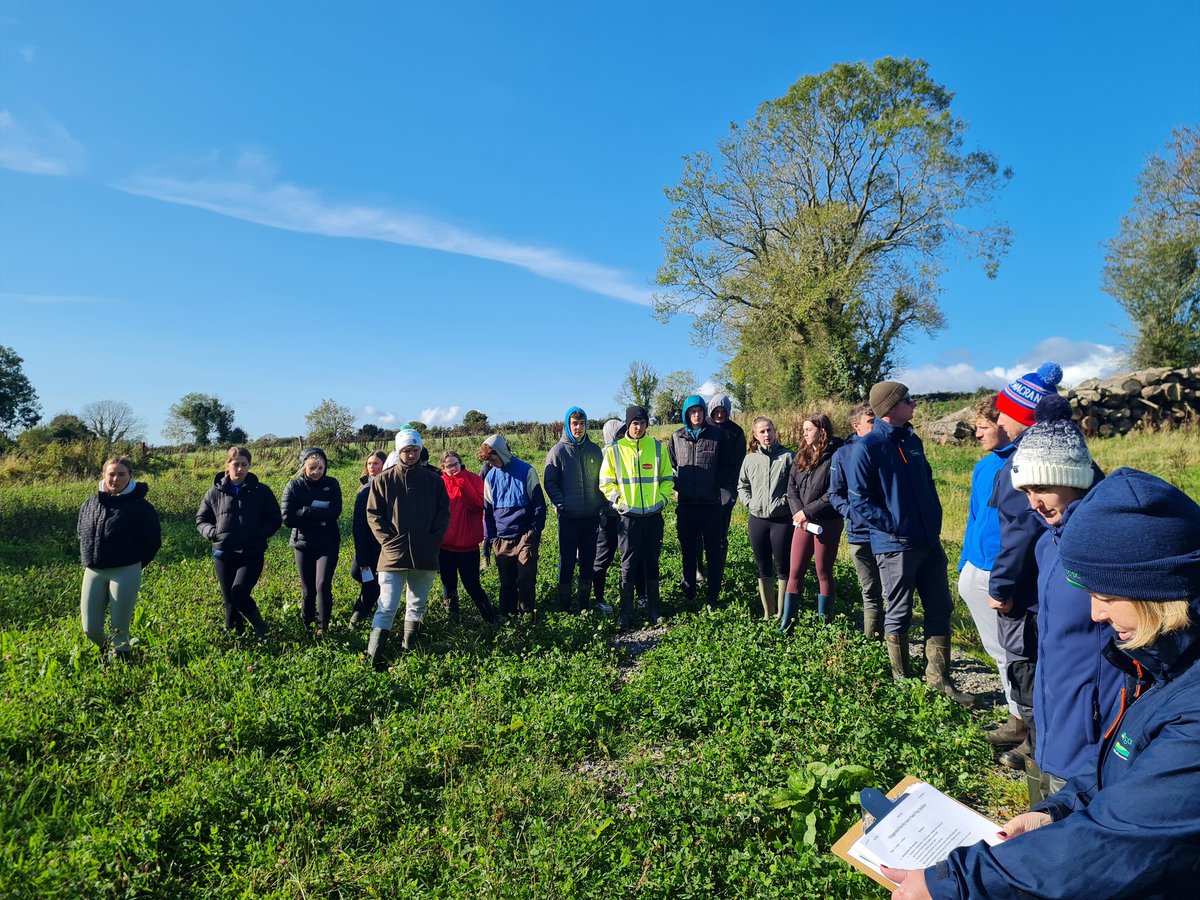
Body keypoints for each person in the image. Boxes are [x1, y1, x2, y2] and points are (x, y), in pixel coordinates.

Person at [885, 467, 1200, 900]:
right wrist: (1058, 810)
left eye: (1106, 597)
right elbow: (1130, 773)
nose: (1095, 615)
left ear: (1158, 592)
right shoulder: (1166, 660)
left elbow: (1117, 844)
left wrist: (958, 883)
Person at [1009, 395, 1118, 802]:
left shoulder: (1107, 545)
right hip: (1053, 713)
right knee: (1040, 812)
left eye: (1042, 488)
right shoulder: (1047, 544)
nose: (1032, 503)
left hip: (1091, 730)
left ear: (1073, 477)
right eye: (1025, 490)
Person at [846, 381, 975, 706]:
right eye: (908, 400)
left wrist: (933, 521)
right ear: (890, 407)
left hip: (928, 542)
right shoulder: (868, 447)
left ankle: (939, 680)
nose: (914, 404)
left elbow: (928, 484)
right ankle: (902, 684)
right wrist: (896, 527)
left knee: (940, 606)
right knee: (900, 612)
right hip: (895, 545)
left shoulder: (912, 440)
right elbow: (859, 500)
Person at [987, 362, 1065, 769]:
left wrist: (1000, 587)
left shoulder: (1027, 462)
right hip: (1046, 586)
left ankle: (1039, 756)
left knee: (1027, 670)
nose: (998, 419)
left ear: (1022, 414)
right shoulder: (1057, 453)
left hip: (1027, 594)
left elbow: (1019, 533)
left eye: (1004, 412)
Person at [957, 396, 1025, 747]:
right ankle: (1018, 716)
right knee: (996, 649)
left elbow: (1018, 530)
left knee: (1012, 651)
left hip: (1001, 573)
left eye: (984, 427)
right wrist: (964, 564)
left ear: (1004, 424)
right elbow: (973, 518)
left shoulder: (1021, 465)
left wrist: (1004, 578)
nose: (978, 434)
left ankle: (1023, 721)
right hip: (976, 568)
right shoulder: (984, 467)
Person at [365, 429, 450, 667]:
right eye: (406, 450)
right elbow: (373, 515)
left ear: (420, 450)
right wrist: (388, 542)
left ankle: (408, 651)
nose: (411, 455)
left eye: (414, 450)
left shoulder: (434, 481)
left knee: (416, 604)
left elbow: (444, 514)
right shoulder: (384, 480)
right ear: (398, 452)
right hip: (392, 556)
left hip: (425, 555)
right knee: (387, 605)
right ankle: (373, 658)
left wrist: (433, 541)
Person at [77, 456, 162, 662]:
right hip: (94, 570)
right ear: (104, 475)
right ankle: (108, 653)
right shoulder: (90, 503)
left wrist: (133, 563)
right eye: (111, 474)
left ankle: (124, 665)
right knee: (90, 629)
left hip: (125, 571)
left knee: (119, 629)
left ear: (130, 476)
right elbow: (81, 531)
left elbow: (152, 541)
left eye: (121, 474)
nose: (115, 479)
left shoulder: (141, 507)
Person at [599, 405, 675, 629]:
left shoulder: (657, 448)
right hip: (628, 517)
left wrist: (662, 499)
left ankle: (654, 610)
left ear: (646, 425)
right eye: (634, 423)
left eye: (642, 423)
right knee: (628, 564)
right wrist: (620, 502)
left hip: (653, 516)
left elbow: (668, 478)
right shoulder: (615, 450)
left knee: (652, 562)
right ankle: (626, 613)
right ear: (628, 425)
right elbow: (605, 482)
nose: (638, 427)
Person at [196, 446, 282, 638]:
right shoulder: (213, 492)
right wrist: (212, 533)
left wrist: (258, 534)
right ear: (227, 465)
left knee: (239, 594)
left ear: (249, 466)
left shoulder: (261, 491)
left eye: (245, 465)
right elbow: (201, 520)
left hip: (251, 554)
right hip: (223, 554)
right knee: (229, 603)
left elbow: (275, 519)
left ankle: (261, 628)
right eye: (236, 464)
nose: (240, 469)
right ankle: (236, 640)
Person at [668, 394, 737, 609]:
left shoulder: (717, 436)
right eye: (691, 412)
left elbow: (727, 467)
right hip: (687, 505)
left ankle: (712, 596)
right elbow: (672, 465)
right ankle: (689, 594)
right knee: (688, 551)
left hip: (711, 505)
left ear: (703, 412)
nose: (696, 415)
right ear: (686, 414)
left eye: (699, 411)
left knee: (713, 552)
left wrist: (721, 494)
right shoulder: (676, 437)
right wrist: (677, 488)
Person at [781, 414, 844, 630]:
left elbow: (833, 492)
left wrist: (807, 511)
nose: (804, 433)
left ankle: (825, 625)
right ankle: (787, 623)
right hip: (803, 522)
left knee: (823, 571)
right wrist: (799, 513)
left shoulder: (837, 456)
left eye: (809, 429)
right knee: (795, 570)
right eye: (804, 429)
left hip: (828, 522)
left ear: (822, 430)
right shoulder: (802, 454)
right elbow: (791, 488)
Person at [828, 402, 884, 640]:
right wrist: (850, 512)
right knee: (870, 589)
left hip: (887, 533)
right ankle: (873, 642)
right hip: (859, 533)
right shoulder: (843, 454)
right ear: (856, 426)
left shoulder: (887, 447)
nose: (876, 425)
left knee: (892, 591)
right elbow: (835, 493)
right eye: (871, 421)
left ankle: (893, 640)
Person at [544, 406, 604, 613]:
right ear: (568, 426)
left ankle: (583, 604)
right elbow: (550, 482)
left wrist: (602, 506)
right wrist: (562, 504)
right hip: (569, 518)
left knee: (588, 560)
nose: (578, 428)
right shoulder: (558, 451)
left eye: (582, 424)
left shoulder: (595, 450)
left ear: (586, 425)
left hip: (591, 517)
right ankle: (565, 605)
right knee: (567, 560)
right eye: (574, 424)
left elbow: (603, 481)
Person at [480, 433, 546, 618]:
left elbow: (539, 506)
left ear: (501, 453)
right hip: (501, 539)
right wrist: (492, 539)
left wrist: (534, 532)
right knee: (506, 582)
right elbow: (488, 513)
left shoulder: (527, 471)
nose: (491, 463)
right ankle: (507, 617)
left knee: (525, 578)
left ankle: (526, 616)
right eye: (488, 460)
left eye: (493, 458)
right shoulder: (490, 477)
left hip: (525, 536)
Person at [737, 416, 794, 621]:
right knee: (762, 567)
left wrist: (784, 502)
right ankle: (767, 613)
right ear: (755, 435)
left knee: (783, 566)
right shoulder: (750, 459)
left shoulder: (788, 457)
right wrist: (749, 503)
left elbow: (795, 487)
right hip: (757, 520)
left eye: (769, 430)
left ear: (775, 431)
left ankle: (782, 613)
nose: (766, 435)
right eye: (762, 431)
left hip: (781, 520)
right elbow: (742, 485)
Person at [281, 447, 343, 635]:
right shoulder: (294, 486)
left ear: (326, 467)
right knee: (308, 589)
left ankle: (323, 627)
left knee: (323, 584)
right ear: (303, 467)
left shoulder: (332, 484)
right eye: (312, 468)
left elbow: (335, 512)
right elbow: (287, 518)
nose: (317, 472)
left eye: (320, 468)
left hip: (328, 542)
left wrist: (306, 511)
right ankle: (308, 624)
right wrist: (320, 519)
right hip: (303, 543)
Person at [439, 450, 498, 624]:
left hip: (468, 546)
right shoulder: (439, 483)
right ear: (443, 467)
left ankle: (490, 618)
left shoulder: (473, 479)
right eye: (449, 466)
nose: (453, 468)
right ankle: (453, 620)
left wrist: (462, 483)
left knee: (472, 585)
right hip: (446, 546)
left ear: (460, 463)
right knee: (449, 586)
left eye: (456, 464)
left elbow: (477, 505)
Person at [592, 418, 644, 611]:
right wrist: (600, 512)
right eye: (619, 434)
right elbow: (597, 487)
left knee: (633, 556)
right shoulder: (603, 455)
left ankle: (640, 596)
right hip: (608, 516)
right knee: (603, 558)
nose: (623, 436)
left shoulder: (628, 451)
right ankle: (598, 598)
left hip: (627, 515)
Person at [701, 393, 746, 578]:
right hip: (703, 486)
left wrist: (732, 489)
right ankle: (698, 568)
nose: (720, 414)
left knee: (721, 531)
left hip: (725, 487)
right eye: (716, 411)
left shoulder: (736, 431)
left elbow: (740, 461)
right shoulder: (703, 427)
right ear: (711, 410)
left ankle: (718, 568)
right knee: (700, 531)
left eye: (723, 411)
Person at [349, 450, 387, 627]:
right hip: (368, 544)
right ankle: (367, 607)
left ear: (385, 465)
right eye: (369, 463)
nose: (372, 467)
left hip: (383, 544)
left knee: (371, 582)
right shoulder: (364, 489)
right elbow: (359, 525)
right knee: (359, 573)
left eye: (376, 463)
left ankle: (358, 614)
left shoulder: (389, 487)